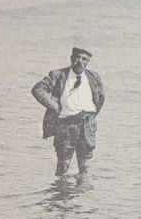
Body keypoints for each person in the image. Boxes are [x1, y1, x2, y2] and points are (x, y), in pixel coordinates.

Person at [31, 47, 104, 176]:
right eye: (76, 57)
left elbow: (100, 98)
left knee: (85, 166)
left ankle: (84, 195)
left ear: (88, 61)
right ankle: (61, 194)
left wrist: (91, 115)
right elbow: (38, 89)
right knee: (63, 166)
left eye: (84, 59)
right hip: (66, 125)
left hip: (87, 125)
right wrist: (53, 105)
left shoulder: (93, 76)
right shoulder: (58, 75)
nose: (79, 61)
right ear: (71, 58)